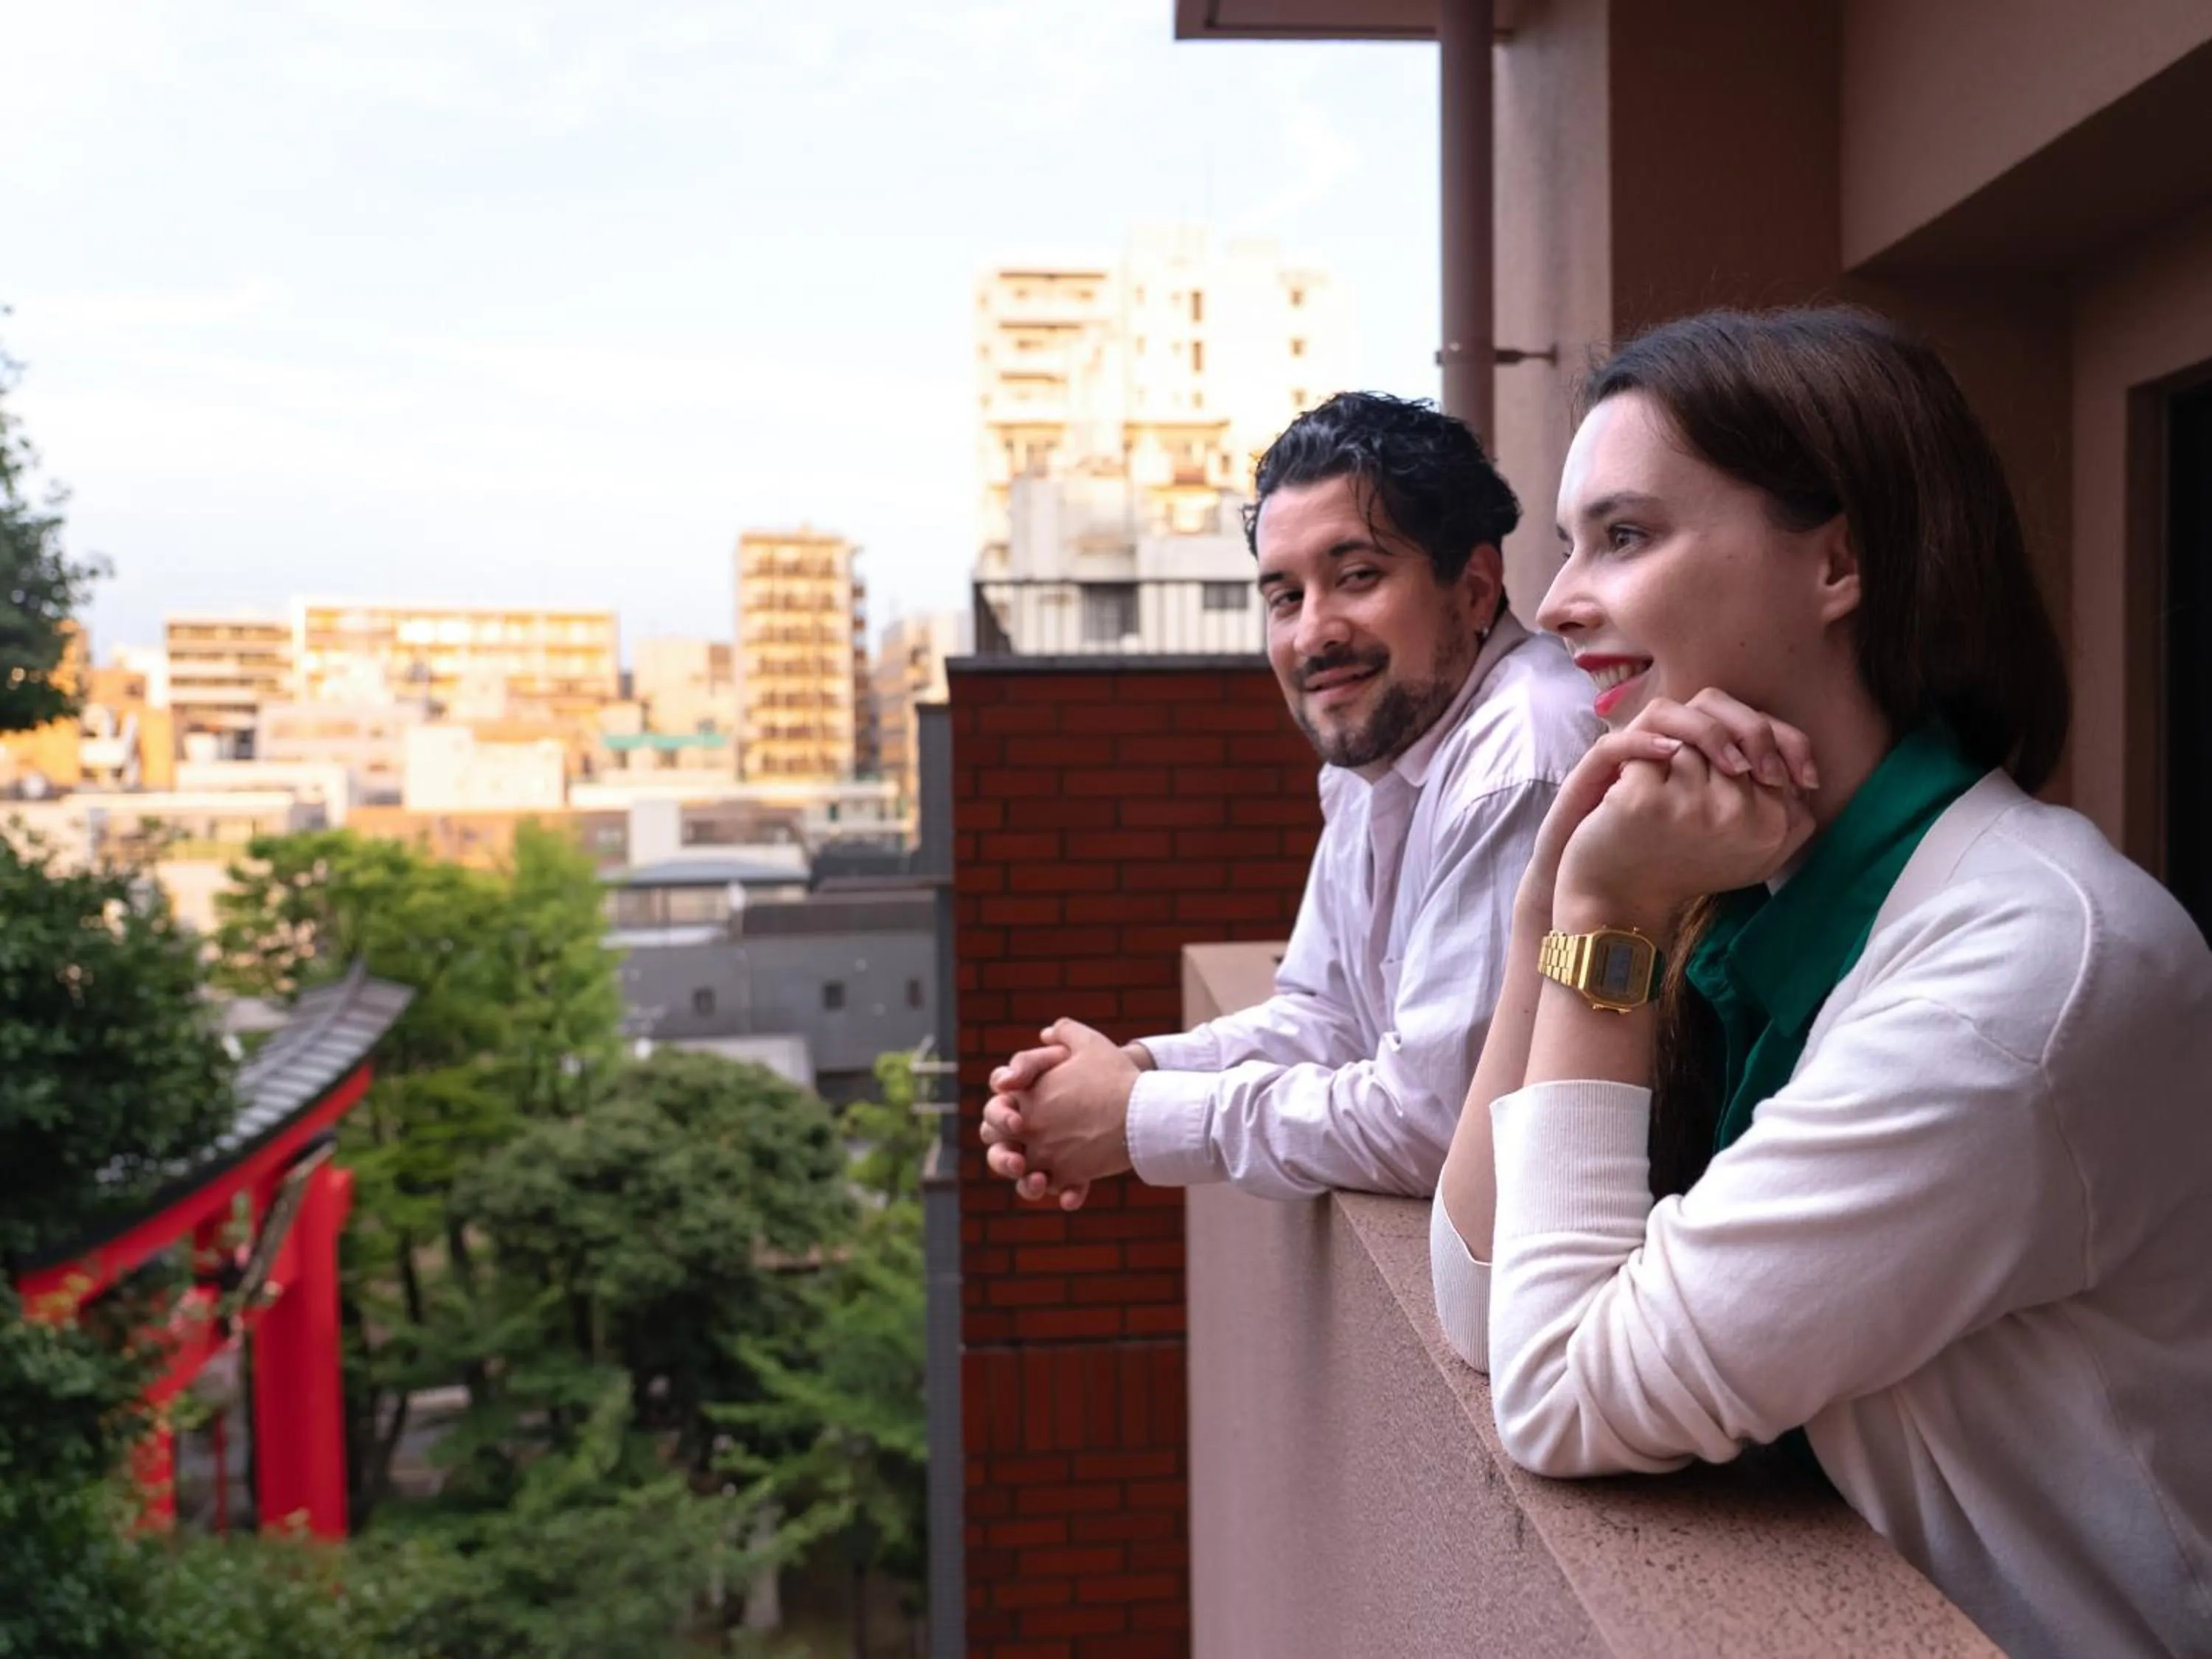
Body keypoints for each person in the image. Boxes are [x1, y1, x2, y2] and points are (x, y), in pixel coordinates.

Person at [1430, 306, 2212, 1658]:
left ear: (1840, 560)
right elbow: (1479, 1303)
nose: (1553, 605)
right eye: (1570, 543)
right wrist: (1546, 920)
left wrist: (1605, 925)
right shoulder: (1752, 893)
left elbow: (1557, 1396)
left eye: (1623, 535)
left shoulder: (2019, 972)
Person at [978, 392, 1598, 1208]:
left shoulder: (1520, 755)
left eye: (1357, 578)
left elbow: (1439, 1124)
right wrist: (1136, 1071)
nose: (1313, 632)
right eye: (1284, 597)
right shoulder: (1376, 753)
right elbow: (1329, 1018)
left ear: (1476, 589)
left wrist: (1135, 1119)